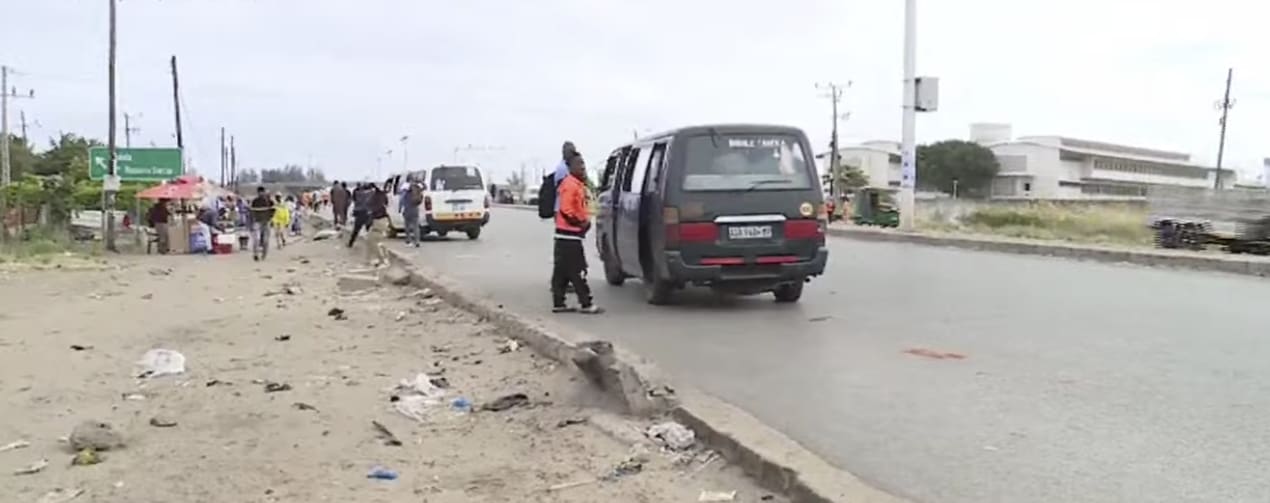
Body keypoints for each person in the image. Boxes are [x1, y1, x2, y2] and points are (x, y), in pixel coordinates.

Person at [552, 153, 602, 314]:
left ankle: (559, 303)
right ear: (570, 167)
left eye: (583, 164)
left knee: (561, 271)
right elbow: (566, 210)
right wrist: (581, 224)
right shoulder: (570, 185)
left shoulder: (577, 184)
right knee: (578, 270)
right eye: (578, 164)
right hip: (569, 235)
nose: (582, 167)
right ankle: (586, 303)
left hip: (566, 235)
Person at [248, 186, 275, 261]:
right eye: (260, 192)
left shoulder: (270, 201)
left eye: (262, 192)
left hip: (266, 222)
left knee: (266, 240)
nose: (261, 194)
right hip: (257, 222)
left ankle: (264, 254)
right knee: (256, 239)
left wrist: (271, 219)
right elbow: (251, 212)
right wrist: (251, 223)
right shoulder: (255, 202)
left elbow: (273, 211)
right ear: (258, 193)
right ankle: (256, 254)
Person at [366, 183, 390, 265]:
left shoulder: (375, 197)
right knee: (376, 240)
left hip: (379, 220)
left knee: (374, 240)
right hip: (383, 220)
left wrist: (370, 211)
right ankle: (382, 259)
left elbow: (374, 208)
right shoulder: (382, 195)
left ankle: (382, 259)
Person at [400, 175, 424, 247]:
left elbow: (402, 198)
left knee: (407, 226)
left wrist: (400, 208)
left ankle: (408, 241)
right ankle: (417, 241)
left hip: (407, 208)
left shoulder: (405, 188)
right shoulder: (418, 187)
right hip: (415, 208)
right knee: (416, 226)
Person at [347, 183, 372, 247]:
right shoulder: (370, 194)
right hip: (367, 213)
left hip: (359, 213)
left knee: (356, 230)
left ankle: (350, 243)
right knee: (370, 230)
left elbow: (354, 199)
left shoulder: (357, 193)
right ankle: (371, 245)